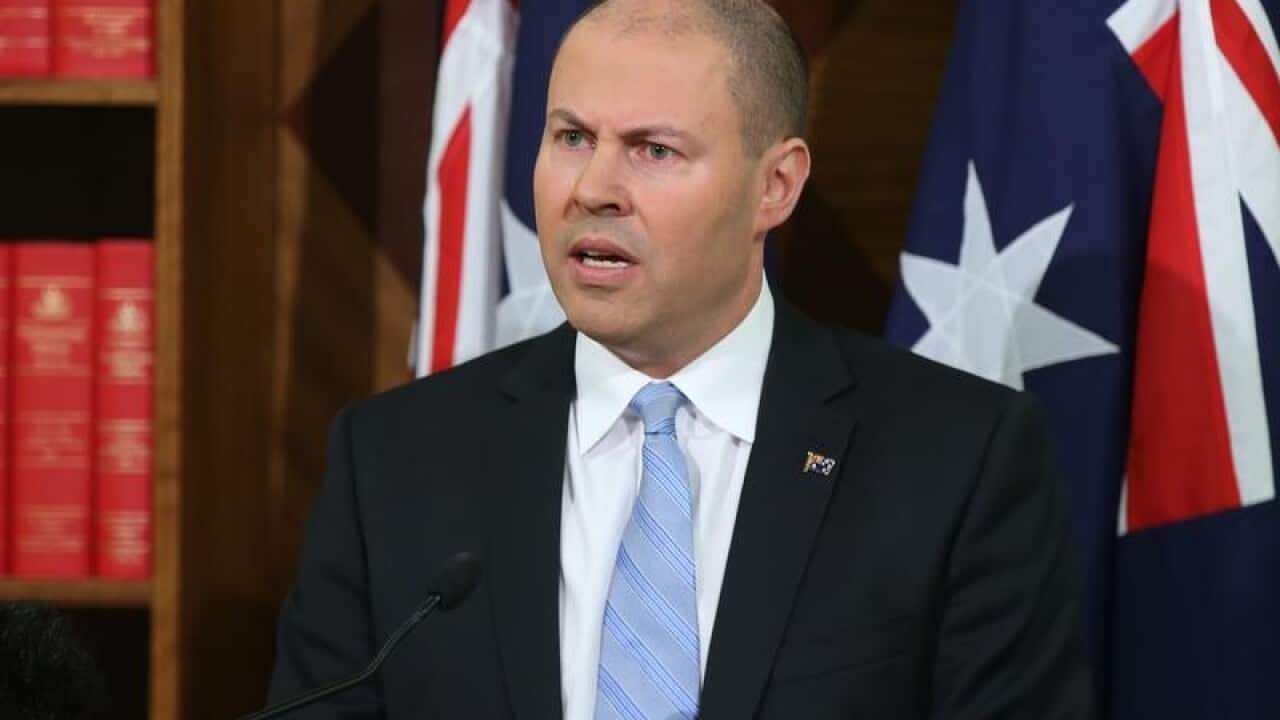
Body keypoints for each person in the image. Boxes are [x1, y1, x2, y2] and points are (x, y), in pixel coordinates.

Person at [267, 0, 1094, 717]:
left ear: (775, 185)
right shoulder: (394, 460)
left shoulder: (957, 458)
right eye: (571, 137)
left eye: (653, 150)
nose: (592, 187)